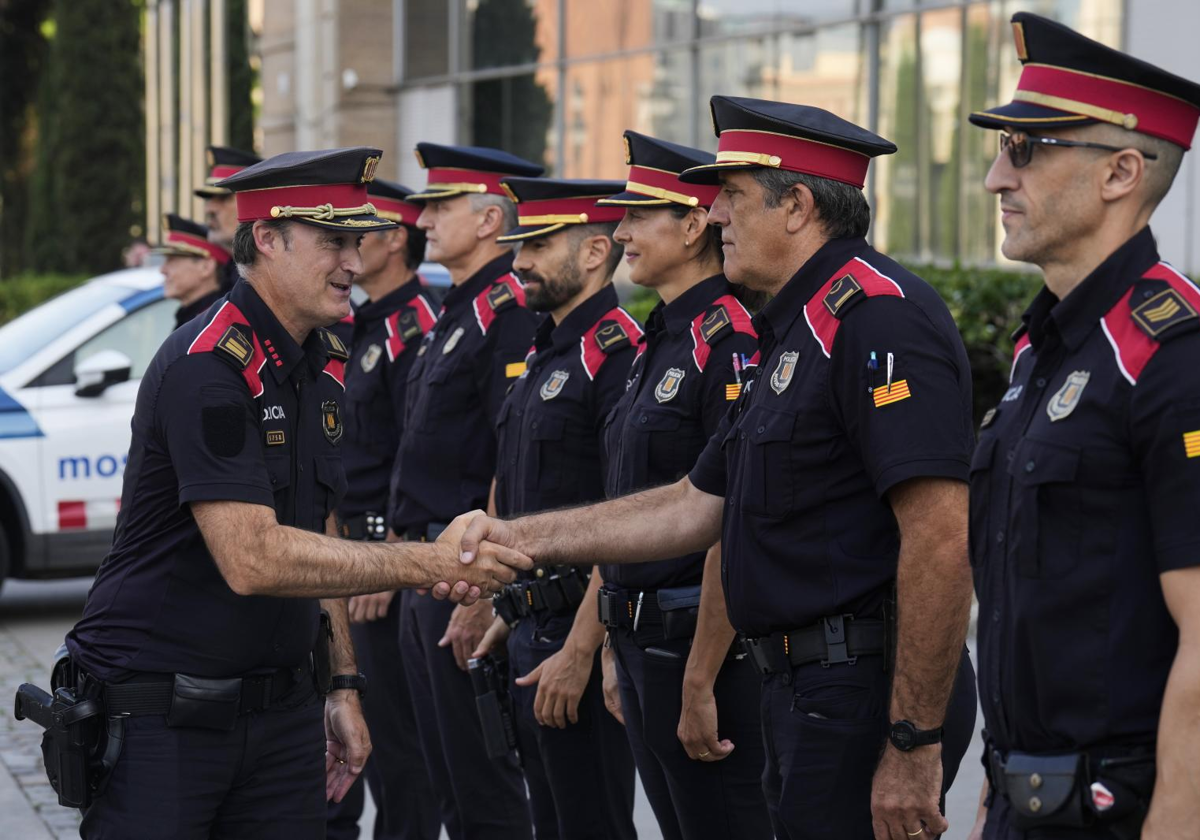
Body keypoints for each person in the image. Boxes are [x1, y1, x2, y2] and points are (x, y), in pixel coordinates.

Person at [456, 96, 980, 840]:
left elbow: (939, 537)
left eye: (731, 197)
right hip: (801, 690)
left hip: (859, 693)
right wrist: (515, 536)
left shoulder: (876, 316)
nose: (717, 216)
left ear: (797, 205)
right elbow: (690, 505)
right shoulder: (793, 329)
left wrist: (912, 741)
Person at [63, 147, 530, 840]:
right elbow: (255, 559)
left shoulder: (317, 358)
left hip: (279, 715)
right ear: (268, 240)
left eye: (357, 240)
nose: (351, 260)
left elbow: (321, 522)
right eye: (332, 242)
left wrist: (341, 682)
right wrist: (432, 562)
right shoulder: (208, 367)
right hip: (166, 715)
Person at [964, 13, 1200, 840]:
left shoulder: (1172, 357)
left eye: (1025, 150)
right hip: (1026, 800)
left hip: (1126, 813)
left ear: (1120, 173)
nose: (997, 178)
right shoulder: (1044, 350)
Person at [587, 130, 772, 840]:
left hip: (702, 648)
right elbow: (626, 502)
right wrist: (609, 642)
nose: (621, 231)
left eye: (639, 215)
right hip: (637, 640)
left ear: (695, 225)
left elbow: (730, 518)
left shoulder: (730, 342)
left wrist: (700, 676)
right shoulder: (657, 338)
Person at [467, 176, 640, 840]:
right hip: (531, 626)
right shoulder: (546, 349)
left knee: (591, 823)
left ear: (596, 251)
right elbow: (513, 486)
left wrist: (581, 649)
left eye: (537, 245)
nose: (518, 262)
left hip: (578, 630)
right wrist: (503, 606)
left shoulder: (617, 354)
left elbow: (625, 519)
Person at [390, 143, 544, 840]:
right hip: (426, 570)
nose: (423, 219)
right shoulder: (459, 309)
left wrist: (481, 588)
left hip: (461, 576)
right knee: (445, 777)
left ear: (488, 219)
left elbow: (504, 453)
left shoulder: (505, 310)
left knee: (484, 789)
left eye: (440, 206)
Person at [325, 178, 440, 840]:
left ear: (397, 238)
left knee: (401, 750)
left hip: (383, 562)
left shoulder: (415, 327)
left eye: (361, 234)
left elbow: (413, 455)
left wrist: (387, 561)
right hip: (353, 554)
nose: (349, 249)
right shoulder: (363, 323)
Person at [195, 144, 262, 291]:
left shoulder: (270, 278)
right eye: (210, 199)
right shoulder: (231, 275)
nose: (209, 209)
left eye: (223, 198)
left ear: (256, 204)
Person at [151, 213, 230, 329]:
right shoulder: (194, 317)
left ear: (206, 267)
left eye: (172, 260)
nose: (162, 270)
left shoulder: (215, 323)